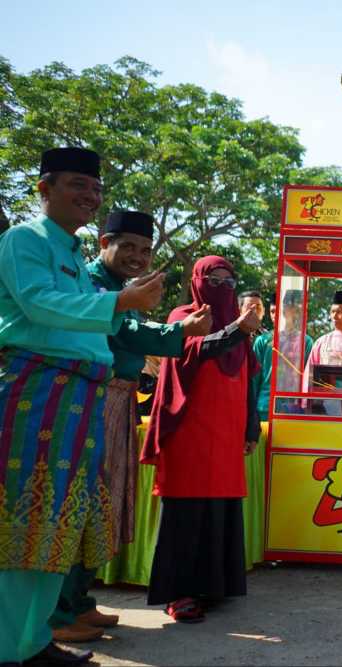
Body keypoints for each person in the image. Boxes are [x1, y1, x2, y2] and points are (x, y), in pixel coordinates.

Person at [0, 148, 163, 666]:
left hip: (79, 397)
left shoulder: (70, 254)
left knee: (59, 523)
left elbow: (98, 324)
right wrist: (120, 303)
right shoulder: (25, 239)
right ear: (44, 188)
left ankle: (33, 642)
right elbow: (38, 304)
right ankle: (8, 647)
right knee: (22, 523)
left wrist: (125, 309)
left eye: (95, 188)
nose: (90, 196)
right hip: (38, 389)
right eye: (77, 185)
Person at [46, 211, 214, 643]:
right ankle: (58, 613)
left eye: (145, 249)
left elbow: (134, 326)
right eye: (129, 247)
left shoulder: (122, 288)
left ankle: (78, 600)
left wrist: (179, 330)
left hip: (118, 400)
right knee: (82, 501)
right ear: (105, 243)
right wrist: (180, 331)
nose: (138, 256)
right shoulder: (93, 283)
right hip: (92, 398)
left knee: (105, 502)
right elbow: (127, 332)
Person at [141, 255, 261, 623]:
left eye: (229, 282)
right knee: (187, 513)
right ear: (197, 281)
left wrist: (251, 427)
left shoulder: (238, 325)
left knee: (219, 511)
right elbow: (196, 348)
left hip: (226, 436)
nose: (222, 288)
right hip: (189, 433)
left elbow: (247, 380)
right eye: (214, 280)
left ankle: (213, 588)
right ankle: (179, 593)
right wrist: (236, 330)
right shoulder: (184, 316)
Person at [250, 290, 313, 419]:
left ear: (291, 312)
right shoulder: (262, 341)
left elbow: (308, 380)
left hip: (294, 408)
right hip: (264, 407)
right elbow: (254, 379)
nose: (275, 316)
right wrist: (250, 411)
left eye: (280, 311)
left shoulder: (305, 342)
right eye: (272, 312)